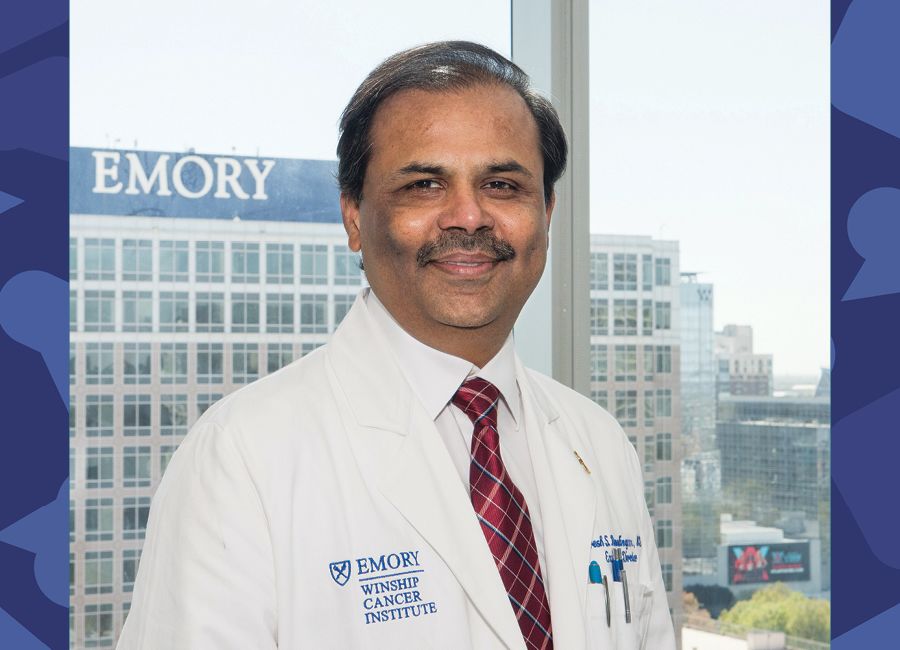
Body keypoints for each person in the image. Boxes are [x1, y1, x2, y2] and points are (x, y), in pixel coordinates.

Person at [117, 41, 676, 650]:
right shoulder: (241, 459)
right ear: (354, 216)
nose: (469, 217)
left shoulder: (599, 444)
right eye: (424, 185)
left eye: (502, 184)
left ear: (547, 211)